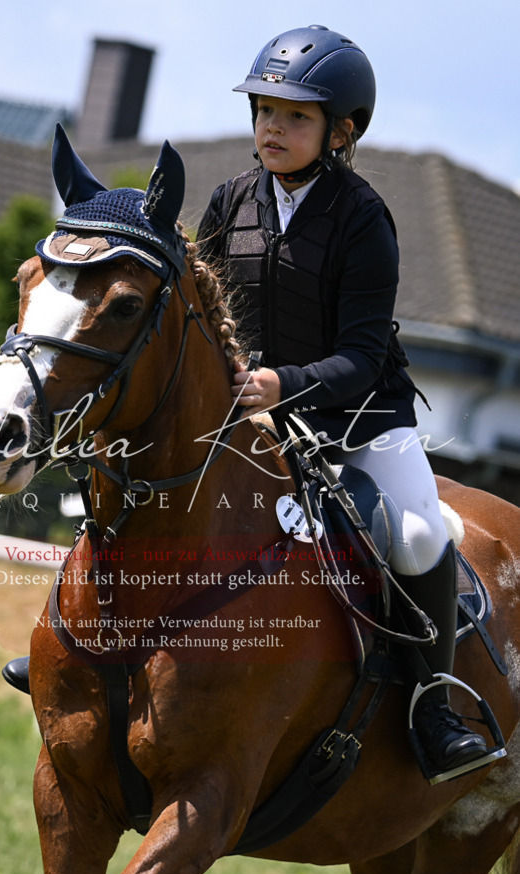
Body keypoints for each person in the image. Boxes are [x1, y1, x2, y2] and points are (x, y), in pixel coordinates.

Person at [196, 24, 500, 782]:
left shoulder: (364, 217)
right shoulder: (229, 201)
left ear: (343, 129)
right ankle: (89, 650)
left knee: (421, 534)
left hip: (356, 420)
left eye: (295, 116)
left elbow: (363, 358)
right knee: (137, 479)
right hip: (245, 412)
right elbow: (199, 316)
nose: (273, 126)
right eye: (266, 109)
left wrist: (282, 386)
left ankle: (435, 697)